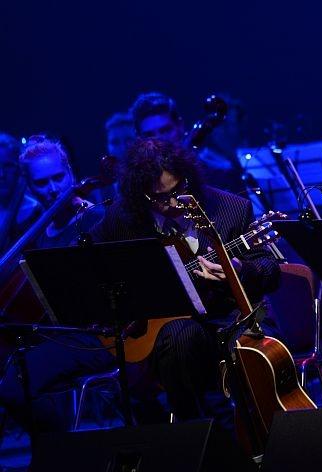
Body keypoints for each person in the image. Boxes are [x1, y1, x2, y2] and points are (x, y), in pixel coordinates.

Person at [89, 138, 281, 422]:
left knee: (253, 348)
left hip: (229, 317)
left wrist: (239, 269)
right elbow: (94, 265)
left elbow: (269, 269)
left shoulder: (231, 208)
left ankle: (259, 431)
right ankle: (194, 431)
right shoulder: (122, 218)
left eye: (178, 189)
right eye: (159, 198)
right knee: (181, 336)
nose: (172, 203)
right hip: (159, 332)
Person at [0, 136, 108, 433]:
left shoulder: (94, 219)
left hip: (93, 336)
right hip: (53, 334)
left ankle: (61, 446)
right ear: (28, 185)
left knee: (14, 388)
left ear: (70, 172)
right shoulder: (35, 229)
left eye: (58, 177)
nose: (52, 189)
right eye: (41, 182)